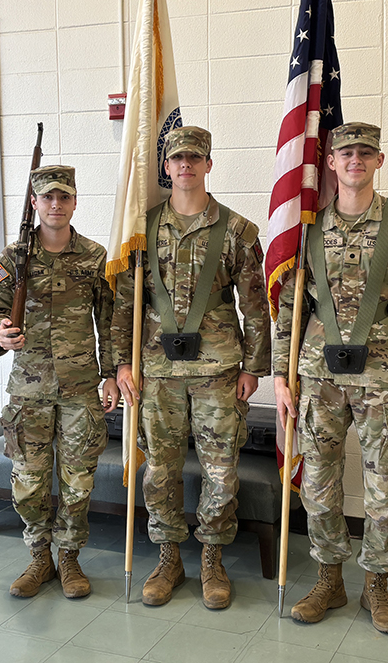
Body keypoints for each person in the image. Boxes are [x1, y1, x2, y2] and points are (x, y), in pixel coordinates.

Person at [274, 122, 388, 633]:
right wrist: (281, 376)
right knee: (318, 485)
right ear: (330, 161)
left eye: (365, 153)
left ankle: (377, 585)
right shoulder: (305, 232)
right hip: (316, 376)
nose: (355, 160)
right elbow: (289, 311)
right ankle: (329, 579)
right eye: (346, 152)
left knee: (382, 489)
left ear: (379, 160)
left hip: (384, 378)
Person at [113, 126, 271, 610]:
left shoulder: (238, 232)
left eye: (195, 158)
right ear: (166, 166)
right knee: (159, 470)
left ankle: (212, 560)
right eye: (177, 158)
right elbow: (124, 303)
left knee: (221, 471)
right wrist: (121, 363)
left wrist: (254, 367)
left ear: (208, 164)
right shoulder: (140, 230)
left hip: (218, 370)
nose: (186, 165)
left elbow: (256, 305)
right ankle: (168, 559)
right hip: (156, 371)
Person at [0, 165, 118, 599]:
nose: (56, 205)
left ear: (75, 202)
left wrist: (111, 375)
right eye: (47, 197)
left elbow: (109, 321)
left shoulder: (96, 257)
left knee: (78, 482)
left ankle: (70, 558)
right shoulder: (11, 260)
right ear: (34, 203)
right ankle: (39, 556)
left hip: (80, 389)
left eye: (64, 197)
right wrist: (0, 332)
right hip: (29, 390)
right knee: (29, 482)